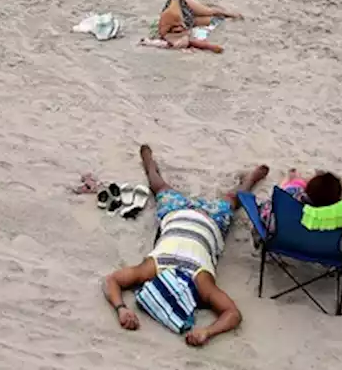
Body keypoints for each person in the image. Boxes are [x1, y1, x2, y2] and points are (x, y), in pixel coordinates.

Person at [102, 145, 269, 348]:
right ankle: (250, 179)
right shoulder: (200, 281)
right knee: (232, 199)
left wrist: (121, 308)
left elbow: (112, 280)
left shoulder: (153, 268)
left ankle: (149, 163)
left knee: (160, 187)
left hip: (176, 214)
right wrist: (207, 332)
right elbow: (232, 314)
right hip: (210, 220)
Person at [156, 0, 242, 53]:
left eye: (180, 26)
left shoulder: (171, 14)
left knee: (209, 11)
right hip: (187, 20)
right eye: (179, 29)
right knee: (214, 20)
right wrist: (212, 47)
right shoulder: (170, 38)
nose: (182, 28)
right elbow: (195, 43)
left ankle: (225, 11)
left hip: (183, 5)